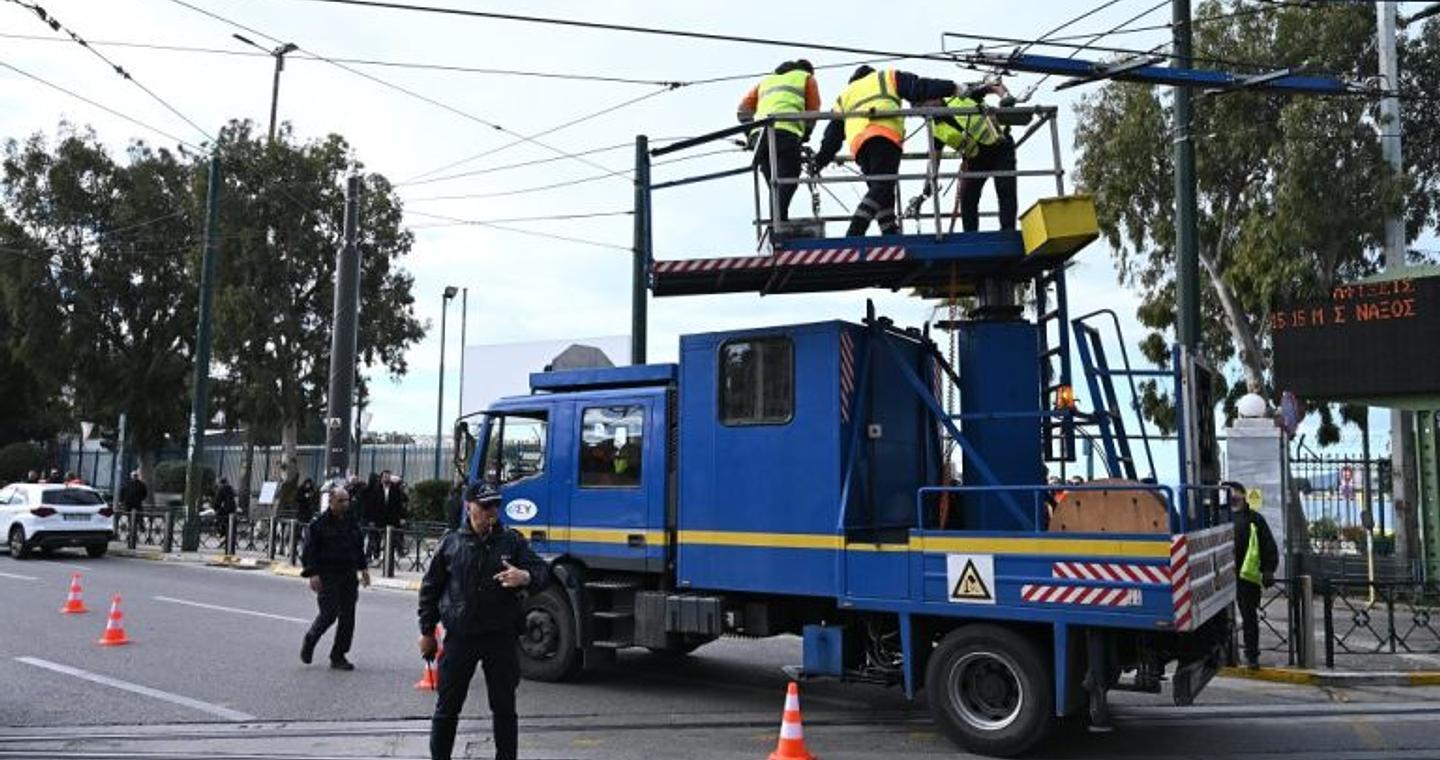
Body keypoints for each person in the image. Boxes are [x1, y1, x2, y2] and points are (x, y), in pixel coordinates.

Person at [419, 483, 548, 760]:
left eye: (495, 505)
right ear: (469, 507)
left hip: (500, 635)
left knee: (504, 707)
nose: (492, 512)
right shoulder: (451, 542)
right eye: (485, 506)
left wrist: (524, 577)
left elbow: (542, 571)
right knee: (447, 707)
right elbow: (430, 589)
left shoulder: (511, 541)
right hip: (460, 637)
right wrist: (426, 631)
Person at [812, 66, 960, 237]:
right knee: (882, 186)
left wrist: (820, 161)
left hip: (859, 145)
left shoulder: (846, 94)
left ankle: (889, 231)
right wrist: (953, 87)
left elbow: (833, 135)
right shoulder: (885, 77)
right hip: (883, 134)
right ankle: (856, 230)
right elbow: (919, 88)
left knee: (881, 189)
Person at [907, 80, 1018, 231]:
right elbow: (934, 160)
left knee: (1005, 189)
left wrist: (1005, 97)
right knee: (967, 199)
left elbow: (994, 85)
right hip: (976, 158)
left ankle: (1007, 231)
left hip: (999, 146)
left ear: (931, 96)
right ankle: (971, 235)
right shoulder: (937, 130)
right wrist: (927, 188)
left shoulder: (960, 93)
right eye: (919, 110)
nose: (924, 111)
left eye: (922, 105)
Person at [736, 59, 820, 222]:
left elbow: (742, 111)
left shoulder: (766, 81)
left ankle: (779, 221)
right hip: (785, 132)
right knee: (788, 178)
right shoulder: (806, 77)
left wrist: (751, 135)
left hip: (760, 138)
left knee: (775, 184)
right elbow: (813, 111)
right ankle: (779, 222)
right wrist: (806, 134)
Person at [300, 482, 370, 670]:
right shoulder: (318, 525)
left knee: (348, 616)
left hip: (348, 574)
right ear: (331, 501)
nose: (345, 504)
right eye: (341, 501)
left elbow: (358, 547)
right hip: (327, 574)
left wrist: (364, 570)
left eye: (347, 500)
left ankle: (338, 655)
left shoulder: (351, 522)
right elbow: (309, 552)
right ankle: (311, 638)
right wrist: (313, 573)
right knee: (329, 613)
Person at [1225, 480, 1278, 669]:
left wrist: (1269, 570)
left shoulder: (1255, 519)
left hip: (1246, 577)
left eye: (1233, 492)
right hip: (1222, 578)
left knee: (1249, 618)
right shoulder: (1218, 517)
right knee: (1221, 619)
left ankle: (1252, 655)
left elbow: (1268, 545)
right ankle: (1225, 655)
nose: (1230, 496)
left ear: (1242, 495)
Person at [214, 477, 238, 541]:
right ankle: (230, 537)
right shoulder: (231, 489)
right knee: (230, 523)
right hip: (232, 509)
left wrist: (215, 508)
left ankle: (221, 534)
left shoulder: (221, 489)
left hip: (225, 510)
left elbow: (218, 501)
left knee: (219, 520)